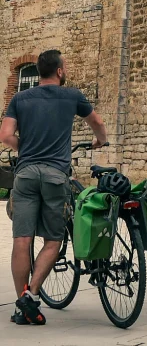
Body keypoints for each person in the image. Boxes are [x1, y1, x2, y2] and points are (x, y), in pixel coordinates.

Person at [0, 49, 108, 325]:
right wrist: (100, 141)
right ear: (59, 71)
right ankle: (31, 296)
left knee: (22, 240)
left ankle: (21, 304)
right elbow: (97, 123)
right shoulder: (72, 96)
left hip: (24, 175)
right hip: (55, 176)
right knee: (53, 240)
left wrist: (25, 148)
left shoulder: (20, 98)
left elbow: (5, 135)